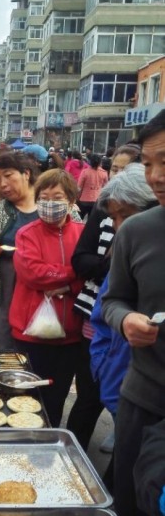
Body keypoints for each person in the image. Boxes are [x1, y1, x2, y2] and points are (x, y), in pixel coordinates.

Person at [102, 108, 165, 516]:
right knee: (129, 514)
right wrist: (124, 320)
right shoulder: (138, 232)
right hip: (143, 397)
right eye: (149, 163)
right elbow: (113, 299)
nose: (156, 176)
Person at [67, 144, 142, 452]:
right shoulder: (103, 215)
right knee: (88, 399)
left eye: (124, 216)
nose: (117, 224)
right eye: (115, 168)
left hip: (137, 370)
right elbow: (80, 262)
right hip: (100, 336)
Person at [89, 164, 157, 457]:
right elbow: (103, 314)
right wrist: (101, 366)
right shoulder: (123, 249)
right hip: (117, 384)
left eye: (126, 216)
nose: (119, 226)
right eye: (114, 218)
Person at [9, 168, 84, 427]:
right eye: (44, 197)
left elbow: (94, 274)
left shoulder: (83, 233)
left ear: (71, 201)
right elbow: (32, 272)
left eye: (57, 197)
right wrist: (73, 273)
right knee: (28, 395)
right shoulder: (27, 233)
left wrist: (69, 287)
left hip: (71, 334)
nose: (49, 203)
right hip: (31, 331)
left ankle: (48, 444)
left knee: (57, 396)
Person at [0, 151, 39, 350]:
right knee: (0, 339)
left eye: (8, 175)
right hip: (6, 282)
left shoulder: (50, 203)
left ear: (26, 173)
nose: (2, 184)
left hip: (43, 283)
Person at [77, 153, 108, 218]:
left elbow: (79, 187)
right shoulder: (104, 173)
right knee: (91, 221)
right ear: (100, 162)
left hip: (84, 200)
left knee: (79, 219)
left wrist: (77, 197)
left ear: (90, 161)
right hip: (97, 200)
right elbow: (106, 188)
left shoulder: (85, 172)